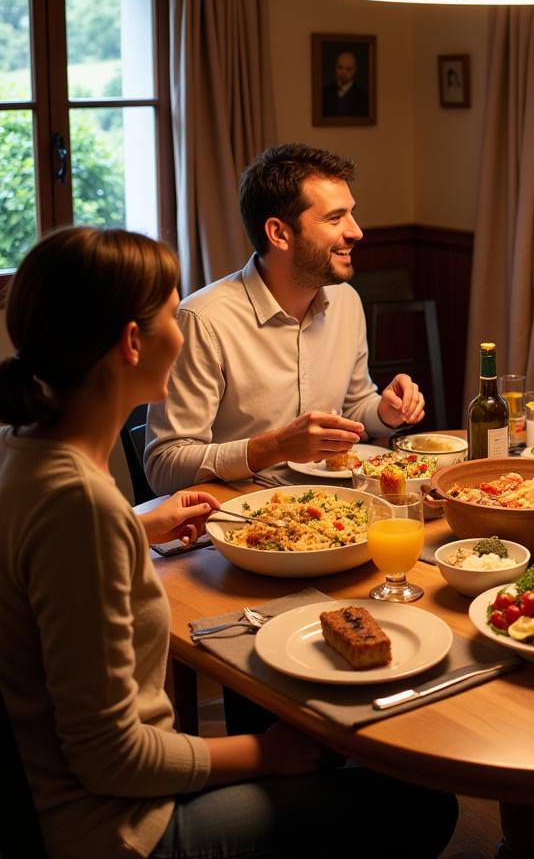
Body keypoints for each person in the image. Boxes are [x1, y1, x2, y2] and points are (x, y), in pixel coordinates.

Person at [0, 227, 458, 859]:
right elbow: (113, 758)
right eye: (169, 316)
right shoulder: (80, 504)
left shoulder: (23, 454)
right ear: (132, 343)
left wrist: (139, 529)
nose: (182, 333)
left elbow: (45, 561)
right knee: (422, 804)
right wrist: (268, 753)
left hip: (81, 798)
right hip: (121, 831)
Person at [145, 143, 425, 495]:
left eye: (352, 214)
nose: (356, 231)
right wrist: (273, 447)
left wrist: (385, 412)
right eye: (335, 218)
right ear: (279, 234)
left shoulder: (346, 301)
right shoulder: (203, 320)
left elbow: (353, 408)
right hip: (241, 519)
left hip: (335, 507)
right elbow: (163, 466)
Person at [322, 49, 369, 117]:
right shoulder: (324, 92)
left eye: (348, 69)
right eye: (340, 67)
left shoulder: (362, 97)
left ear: (355, 71)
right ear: (335, 68)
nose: (343, 73)